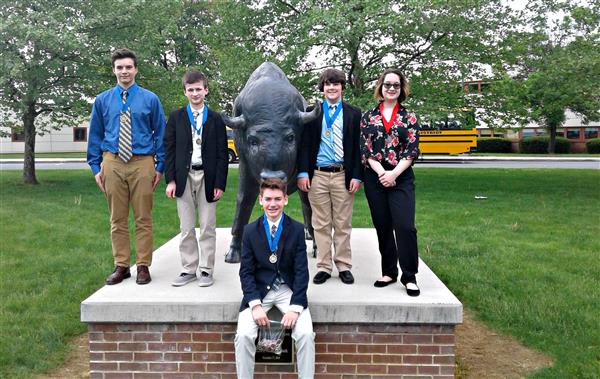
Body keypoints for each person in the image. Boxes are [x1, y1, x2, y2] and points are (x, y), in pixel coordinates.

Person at [87, 48, 165, 285]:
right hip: (112, 161)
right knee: (117, 218)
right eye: (120, 67)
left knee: (143, 217)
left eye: (128, 67)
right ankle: (121, 265)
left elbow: (160, 133)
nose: (124, 71)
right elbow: (95, 134)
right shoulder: (102, 101)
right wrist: (95, 167)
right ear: (114, 70)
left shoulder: (150, 99)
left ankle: (142, 265)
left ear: (136, 69)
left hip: (142, 161)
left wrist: (159, 166)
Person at [235, 178, 315, 378]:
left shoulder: (296, 229)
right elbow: (245, 272)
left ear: (286, 200)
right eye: (268, 199)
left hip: (287, 290)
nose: (273, 204)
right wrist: (255, 305)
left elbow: (301, 272)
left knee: (305, 334)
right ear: (260, 200)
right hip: (259, 292)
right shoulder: (250, 231)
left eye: (277, 199)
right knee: (244, 335)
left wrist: (295, 308)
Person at [297, 68, 362, 285]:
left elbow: (357, 148)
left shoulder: (354, 113)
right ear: (322, 88)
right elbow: (304, 145)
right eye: (327, 84)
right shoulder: (312, 112)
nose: (331, 88)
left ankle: (343, 265)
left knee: (343, 223)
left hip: (343, 174)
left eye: (335, 84)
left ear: (342, 87)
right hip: (318, 175)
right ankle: (324, 266)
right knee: (321, 223)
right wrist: (303, 172)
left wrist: (357, 176)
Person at [359, 68, 421, 296]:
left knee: (405, 226)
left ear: (401, 88)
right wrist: (381, 173)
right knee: (383, 226)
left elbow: (413, 150)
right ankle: (389, 272)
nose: (391, 89)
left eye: (396, 85)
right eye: (387, 85)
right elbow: (364, 150)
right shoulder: (368, 117)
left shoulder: (409, 117)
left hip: (401, 178)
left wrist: (393, 173)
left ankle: (409, 276)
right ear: (380, 88)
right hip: (375, 177)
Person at [163, 70, 228, 287]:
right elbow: (169, 150)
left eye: (198, 89)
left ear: (206, 90)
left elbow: (222, 154)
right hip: (184, 176)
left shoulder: (216, 119)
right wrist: (170, 180)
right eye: (190, 90)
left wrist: (220, 183)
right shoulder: (176, 117)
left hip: (208, 177)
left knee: (208, 225)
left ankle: (207, 269)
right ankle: (189, 268)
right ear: (185, 92)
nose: (195, 93)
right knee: (187, 226)